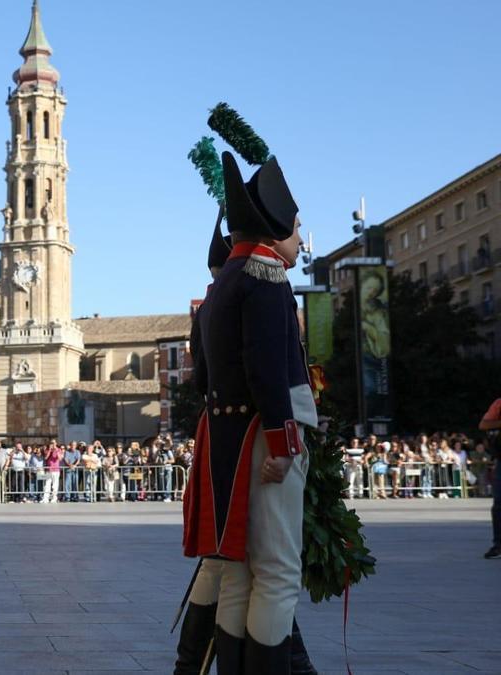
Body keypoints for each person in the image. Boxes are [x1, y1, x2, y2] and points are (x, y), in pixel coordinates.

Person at [181, 149, 318, 672]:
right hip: (264, 435)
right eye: (298, 228)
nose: (301, 240)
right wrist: (284, 445)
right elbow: (267, 368)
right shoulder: (263, 276)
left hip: (230, 437)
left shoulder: (225, 284)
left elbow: (206, 380)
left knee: (236, 572)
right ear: (275, 226)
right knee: (279, 574)